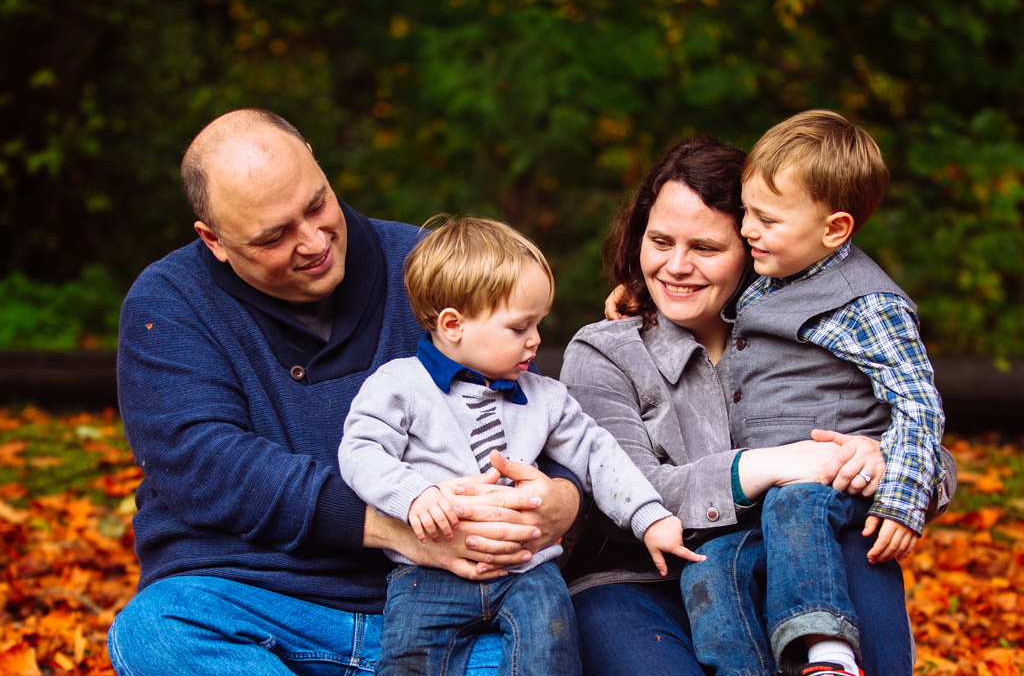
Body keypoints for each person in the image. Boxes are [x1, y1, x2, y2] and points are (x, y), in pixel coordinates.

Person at [107, 109, 584, 676]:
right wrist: (398, 526)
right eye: (275, 236)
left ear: (317, 161)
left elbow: (547, 413)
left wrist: (563, 500)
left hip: (443, 610)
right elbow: (204, 463)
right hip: (260, 604)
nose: (313, 241)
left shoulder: (434, 270)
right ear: (214, 240)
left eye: (316, 205)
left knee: (558, 645)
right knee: (155, 634)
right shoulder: (170, 304)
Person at [559, 135, 957, 676]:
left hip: (794, 563)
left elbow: (927, 438)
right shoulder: (605, 350)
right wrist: (775, 464)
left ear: (753, 246)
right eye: (659, 242)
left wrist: (877, 459)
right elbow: (621, 487)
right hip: (641, 579)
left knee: (860, 558)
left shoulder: (810, 329)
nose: (675, 266)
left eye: (704, 249)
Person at [337, 216, 702, 675]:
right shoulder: (400, 385)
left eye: (539, 323)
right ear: (453, 324)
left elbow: (596, 452)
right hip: (429, 574)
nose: (535, 340)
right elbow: (360, 451)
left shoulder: (545, 397)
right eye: (518, 328)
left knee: (552, 650)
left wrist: (647, 516)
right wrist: (413, 495)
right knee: (409, 661)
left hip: (529, 573)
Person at [702, 109, 946, 676]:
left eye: (766, 218)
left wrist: (904, 497)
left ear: (834, 229)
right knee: (712, 564)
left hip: (830, 482)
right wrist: (635, 295)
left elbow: (917, 400)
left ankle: (828, 654)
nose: (746, 230)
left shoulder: (865, 303)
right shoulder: (773, 268)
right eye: (746, 212)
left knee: (795, 504)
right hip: (764, 491)